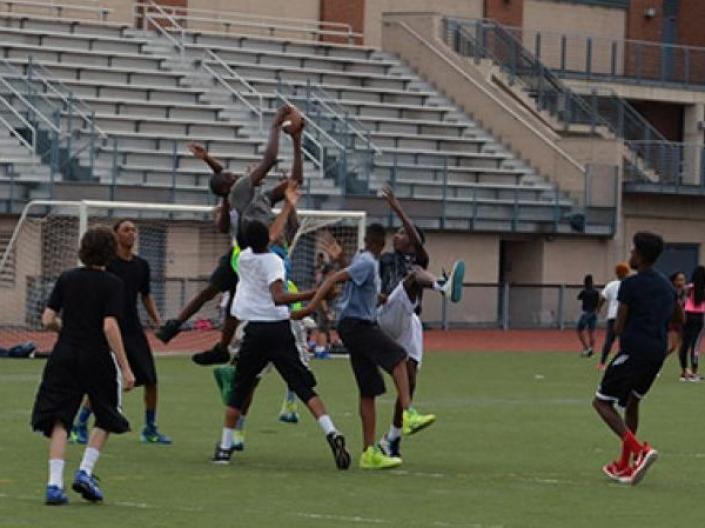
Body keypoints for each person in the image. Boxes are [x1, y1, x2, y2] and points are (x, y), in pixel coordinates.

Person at [156, 104, 299, 361]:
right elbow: (265, 163)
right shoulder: (239, 193)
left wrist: (208, 160)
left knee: (229, 297)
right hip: (249, 253)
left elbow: (225, 178)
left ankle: (214, 344)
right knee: (224, 294)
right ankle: (185, 329)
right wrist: (276, 124)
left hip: (246, 253)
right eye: (231, 176)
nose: (234, 173)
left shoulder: (251, 195)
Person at [296, 223, 442, 470]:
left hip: (353, 325)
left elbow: (360, 289)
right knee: (398, 358)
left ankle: (368, 453)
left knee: (368, 390)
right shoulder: (367, 262)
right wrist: (312, 306)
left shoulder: (364, 263)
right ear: (380, 243)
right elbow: (335, 277)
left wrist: (380, 298)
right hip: (357, 325)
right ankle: (408, 414)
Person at [210, 220, 351, 470]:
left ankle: (224, 447)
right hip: (278, 328)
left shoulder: (243, 257)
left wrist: (287, 205)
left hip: (254, 331)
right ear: (268, 239)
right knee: (304, 387)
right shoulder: (273, 261)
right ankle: (331, 431)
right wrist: (316, 293)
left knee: (240, 389)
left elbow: (267, 235)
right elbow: (279, 297)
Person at [31, 226, 135, 505]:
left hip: (64, 354)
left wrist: (66, 330)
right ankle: (85, 472)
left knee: (60, 417)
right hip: (97, 356)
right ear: (110, 251)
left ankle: (54, 484)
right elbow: (109, 326)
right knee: (107, 414)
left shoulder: (67, 278)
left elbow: (47, 318)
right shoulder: (113, 284)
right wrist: (125, 367)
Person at [375, 186, 465, 458]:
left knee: (410, 381)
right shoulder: (386, 260)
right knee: (414, 277)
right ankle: (443, 286)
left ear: (413, 244)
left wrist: (398, 208)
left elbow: (414, 238)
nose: (397, 235)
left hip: (409, 321)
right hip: (388, 311)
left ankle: (392, 439)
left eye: (402, 234)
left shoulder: (419, 258)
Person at [592, 232, 684, 486]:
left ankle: (638, 450)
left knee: (601, 403)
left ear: (640, 256)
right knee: (632, 403)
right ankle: (624, 464)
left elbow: (619, 326)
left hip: (634, 350)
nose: (630, 255)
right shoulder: (667, 285)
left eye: (632, 251)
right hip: (656, 353)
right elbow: (680, 318)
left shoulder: (630, 285)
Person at [69, 220, 171, 445]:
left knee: (151, 380)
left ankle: (150, 428)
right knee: (105, 381)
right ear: (115, 236)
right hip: (109, 329)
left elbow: (145, 295)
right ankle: (79, 424)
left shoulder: (142, 265)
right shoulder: (107, 265)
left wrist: (157, 320)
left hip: (133, 329)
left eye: (134, 229)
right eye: (126, 229)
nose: (132, 233)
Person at [596, 262, 630, 371]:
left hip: (612, 316)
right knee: (624, 341)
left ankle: (602, 363)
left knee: (609, 340)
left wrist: (598, 309)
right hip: (625, 316)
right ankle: (622, 362)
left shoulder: (611, 285)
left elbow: (602, 298)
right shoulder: (629, 284)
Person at [678, 266, 705, 382]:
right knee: (696, 344)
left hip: (687, 316)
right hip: (700, 317)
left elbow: (680, 301)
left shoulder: (688, 288)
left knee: (685, 344)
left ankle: (684, 371)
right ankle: (694, 373)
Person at [577, 274, 600, 357]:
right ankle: (591, 349)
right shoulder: (596, 292)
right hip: (594, 312)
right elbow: (598, 302)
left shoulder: (584, 291)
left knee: (580, 329)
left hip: (586, 312)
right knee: (592, 331)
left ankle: (586, 348)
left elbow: (578, 297)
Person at [667, 271, 686, 364]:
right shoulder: (670, 292)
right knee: (672, 346)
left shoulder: (686, 292)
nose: (681, 282)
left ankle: (684, 370)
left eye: (682, 280)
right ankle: (656, 363)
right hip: (672, 322)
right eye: (679, 280)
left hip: (682, 322)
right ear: (674, 281)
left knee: (682, 348)